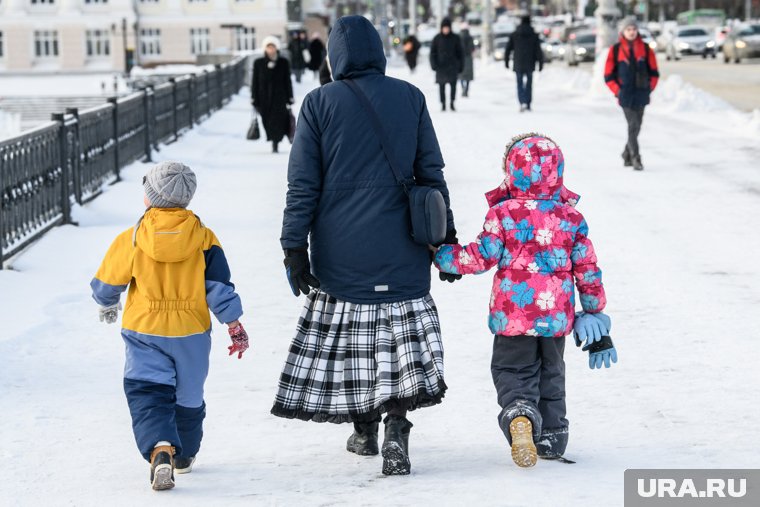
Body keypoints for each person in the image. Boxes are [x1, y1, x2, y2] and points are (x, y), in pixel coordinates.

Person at [273, 15, 459, 477]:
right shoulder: (410, 97)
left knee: (358, 343)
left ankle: (365, 431)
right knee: (397, 340)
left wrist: (294, 247)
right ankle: (397, 424)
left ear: (335, 56)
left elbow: (302, 186)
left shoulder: (318, 104)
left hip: (341, 250)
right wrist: (446, 240)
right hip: (403, 245)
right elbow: (432, 177)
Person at [433, 133, 615, 468]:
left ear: (511, 172)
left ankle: (521, 415)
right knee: (552, 372)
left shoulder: (503, 215)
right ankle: (552, 437)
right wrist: (594, 311)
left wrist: (444, 257)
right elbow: (588, 268)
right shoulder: (570, 218)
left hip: (512, 316)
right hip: (556, 318)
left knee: (513, 369)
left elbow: (480, 256)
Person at [90, 161, 249, 490]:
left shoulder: (132, 237)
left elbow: (107, 282)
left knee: (147, 391)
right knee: (188, 396)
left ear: (148, 197)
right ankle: (184, 455)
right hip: (191, 332)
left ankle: (160, 448)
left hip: (144, 329)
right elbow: (219, 286)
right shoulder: (205, 238)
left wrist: (107, 303)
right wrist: (234, 323)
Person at [604, 16, 659, 171]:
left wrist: (650, 88)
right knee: (633, 125)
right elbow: (608, 76)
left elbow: (654, 73)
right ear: (623, 31)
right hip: (625, 95)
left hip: (642, 94)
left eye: (634, 29)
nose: (632, 32)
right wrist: (618, 90)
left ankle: (626, 153)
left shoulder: (646, 49)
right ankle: (636, 158)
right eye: (629, 29)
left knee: (637, 126)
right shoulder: (615, 50)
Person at [252, 36, 294, 153]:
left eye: (273, 47)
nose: (271, 49)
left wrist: (290, 96)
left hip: (280, 97)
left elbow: (287, 80)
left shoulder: (283, 62)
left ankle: (276, 142)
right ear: (265, 49)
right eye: (268, 47)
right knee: (267, 121)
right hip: (263, 98)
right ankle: (272, 138)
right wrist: (253, 97)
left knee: (279, 120)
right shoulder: (258, 63)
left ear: (276, 48)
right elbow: (254, 81)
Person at [505, 16, 544, 112]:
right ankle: (528, 102)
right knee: (529, 84)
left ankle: (522, 101)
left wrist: (506, 61)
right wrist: (540, 63)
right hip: (530, 63)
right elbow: (538, 51)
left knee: (519, 83)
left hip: (518, 62)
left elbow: (508, 49)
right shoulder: (534, 35)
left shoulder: (515, 34)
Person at [430, 17, 464, 111]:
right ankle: (443, 104)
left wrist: (461, 66)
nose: (446, 29)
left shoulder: (456, 38)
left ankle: (452, 102)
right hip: (440, 67)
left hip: (452, 66)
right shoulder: (437, 38)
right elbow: (433, 53)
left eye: (447, 27)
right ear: (441, 28)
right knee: (441, 86)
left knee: (453, 86)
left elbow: (460, 53)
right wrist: (433, 64)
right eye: (444, 27)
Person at [459, 26, 475, 97]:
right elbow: (472, 48)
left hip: (460, 58)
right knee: (468, 76)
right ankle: (466, 90)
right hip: (468, 58)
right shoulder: (470, 38)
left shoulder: (459, 38)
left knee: (461, 75)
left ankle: (463, 88)